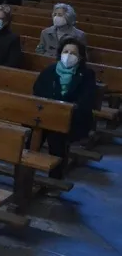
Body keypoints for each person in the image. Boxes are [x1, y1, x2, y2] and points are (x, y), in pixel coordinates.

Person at [32, 37, 97, 179]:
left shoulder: (86, 75)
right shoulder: (49, 71)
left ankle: (55, 178)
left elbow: (86, 100)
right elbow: (38, 91)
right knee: (31, 136)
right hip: (46, 115)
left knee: (57, 139)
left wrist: (66, 111)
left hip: (73, 118)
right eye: (65, 51)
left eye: (73, 53)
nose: (68, 55)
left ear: (80, 57)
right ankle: (25, 174)